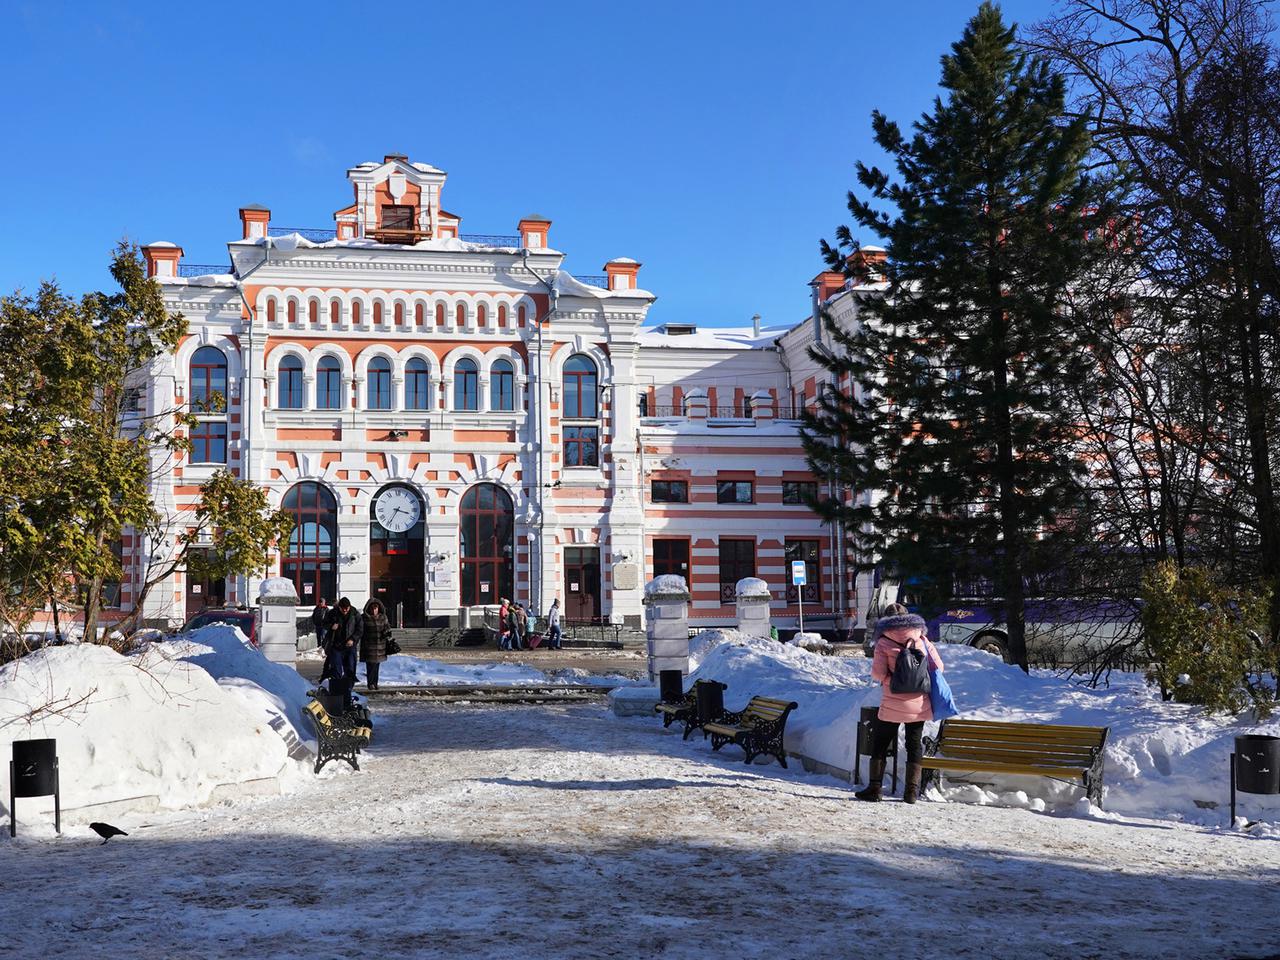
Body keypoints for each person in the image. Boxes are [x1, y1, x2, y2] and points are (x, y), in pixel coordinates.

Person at [855, 602, 944, 805]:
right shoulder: (922, 639)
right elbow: (938, 666)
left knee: (880, 744)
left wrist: (890, 682)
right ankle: (911, 792)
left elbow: (878, 674)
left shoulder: (884, 642)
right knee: (914, 745)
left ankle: (875, 789)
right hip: (919, 703)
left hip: (893, 702)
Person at [323, 597, 363, 711]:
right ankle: (336, 695)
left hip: (350, 646)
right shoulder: (333, 613)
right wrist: (331, 626)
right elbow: (323, 623)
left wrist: (353, 639)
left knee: (350, 669)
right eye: (343, 609)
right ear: (339, 607)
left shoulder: (355, 614)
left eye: (347, 609)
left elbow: (360, 629)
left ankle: (348, 692)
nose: (345, 611)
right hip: (336, 646)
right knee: (336, 670)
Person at [360, 598, 392, 692]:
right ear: (369, 609)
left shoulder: (383, 617)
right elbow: (360, 630)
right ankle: (370, 683)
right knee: (370, 666)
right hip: (369, 646)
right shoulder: (364, 618)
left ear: (379, 608)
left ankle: (375, 683)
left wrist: (387, 632)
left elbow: (388, 628)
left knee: (376, 666)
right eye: (372, 608)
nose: (374, 611)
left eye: (376, 608)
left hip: (380, 646)